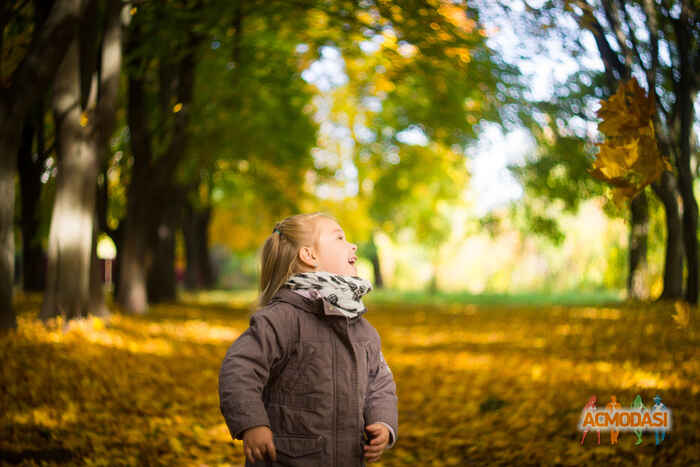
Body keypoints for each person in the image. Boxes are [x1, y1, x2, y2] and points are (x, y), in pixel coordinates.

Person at [219, 212, 399, 466]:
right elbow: (239, 370)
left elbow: (380, 383)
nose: (353, 245)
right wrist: (252, 424)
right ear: (309, 255)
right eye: (339, 238)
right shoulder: (282, 319)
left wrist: (383, 422)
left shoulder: (361, 327)